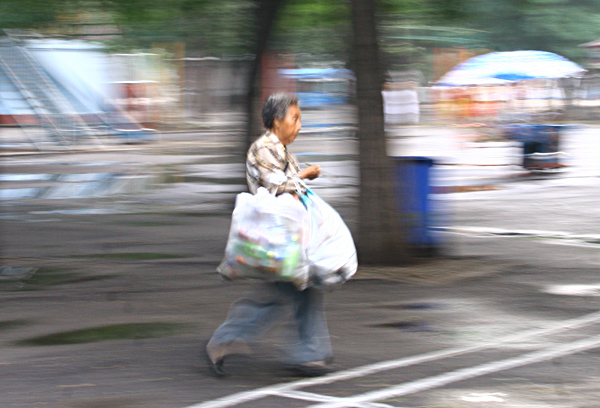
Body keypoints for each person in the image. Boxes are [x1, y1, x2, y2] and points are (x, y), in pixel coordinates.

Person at [205, 93, 332, 378]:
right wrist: (306, 174)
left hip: (286, 234)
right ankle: (225, 341)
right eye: (295, 119)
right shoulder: (263, 148)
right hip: (271, 237)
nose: (299, 125)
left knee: (303, 290)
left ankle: (307, 353)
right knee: (285, 293)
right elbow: (277, 185)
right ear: (277, 120)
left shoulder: (283, 151)